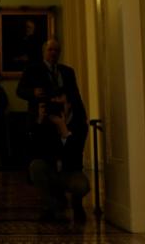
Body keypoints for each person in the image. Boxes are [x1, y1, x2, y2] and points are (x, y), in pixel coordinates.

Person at [16, 39, 89, 223]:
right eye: (50, 50)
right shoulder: (33, 69)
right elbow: (20, 90)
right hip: (42, 118)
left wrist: (69, 120)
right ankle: (52, 204)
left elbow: (75, 94)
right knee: (40, 164)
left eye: (57, 50)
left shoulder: (67, 72)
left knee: (73, 172)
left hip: (67, 120)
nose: (53, 53)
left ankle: (75, 202)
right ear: (43, 51)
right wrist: (35, 97)